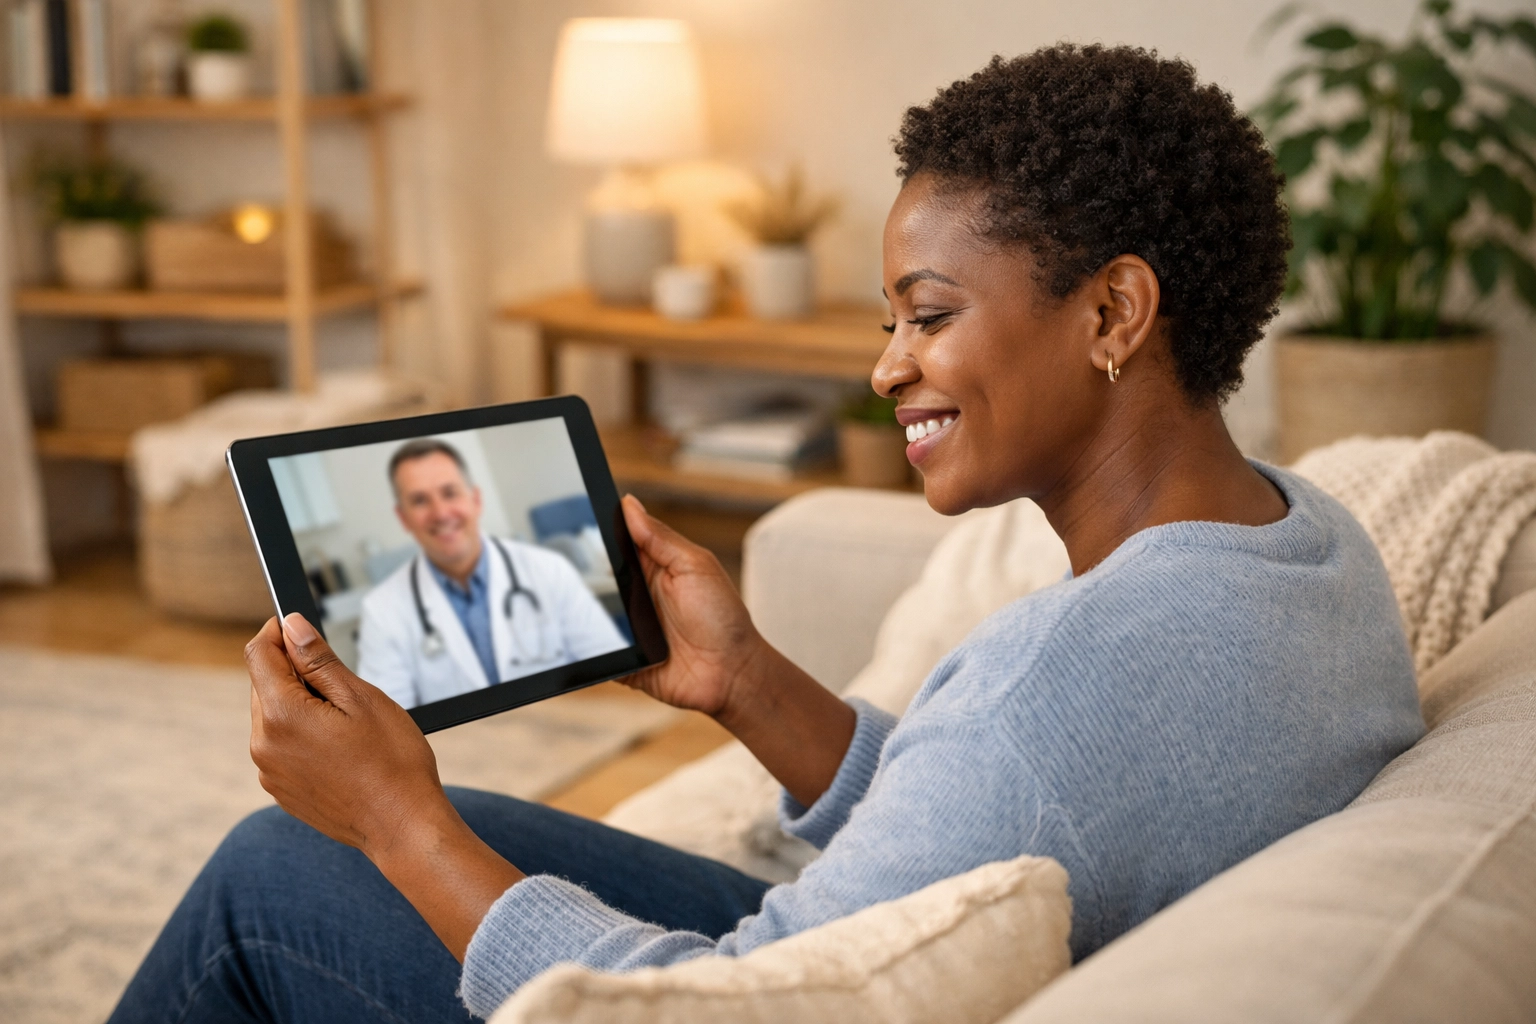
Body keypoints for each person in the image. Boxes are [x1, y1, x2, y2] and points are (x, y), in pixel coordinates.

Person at [109, 45, 1424, 1023]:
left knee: (283, 866)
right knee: (426, 823)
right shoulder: (1311, 544)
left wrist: (396, 821)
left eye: (928, 313)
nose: (885, 367)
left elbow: (735, 1005)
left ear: (1114, 313)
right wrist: (748, 685)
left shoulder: (1057, 680)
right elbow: (1010, 829)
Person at [355, 438, 627, 708]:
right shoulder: (381, 611)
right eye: (419, 501)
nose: (440, 513)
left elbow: (618, 675)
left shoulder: (549, 570)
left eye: (450, 493)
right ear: (403, 518)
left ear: (475, 499)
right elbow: (387, 728)